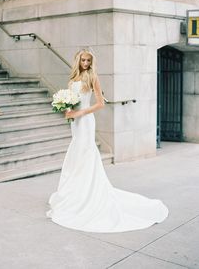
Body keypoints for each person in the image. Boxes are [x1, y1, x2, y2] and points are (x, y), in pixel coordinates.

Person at [46, 49, 168, 233]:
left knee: (86, 153)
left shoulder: (92, 77)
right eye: (83, 60)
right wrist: (67, 110)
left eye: (88, 60)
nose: (85, 63)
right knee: (77, 154)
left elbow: (100, 103)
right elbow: (71, 102)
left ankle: (88, 195)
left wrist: (80, 112)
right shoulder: (72, 80)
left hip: (86, 121)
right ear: (77, 60)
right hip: (75, 122)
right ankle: (75, 193)